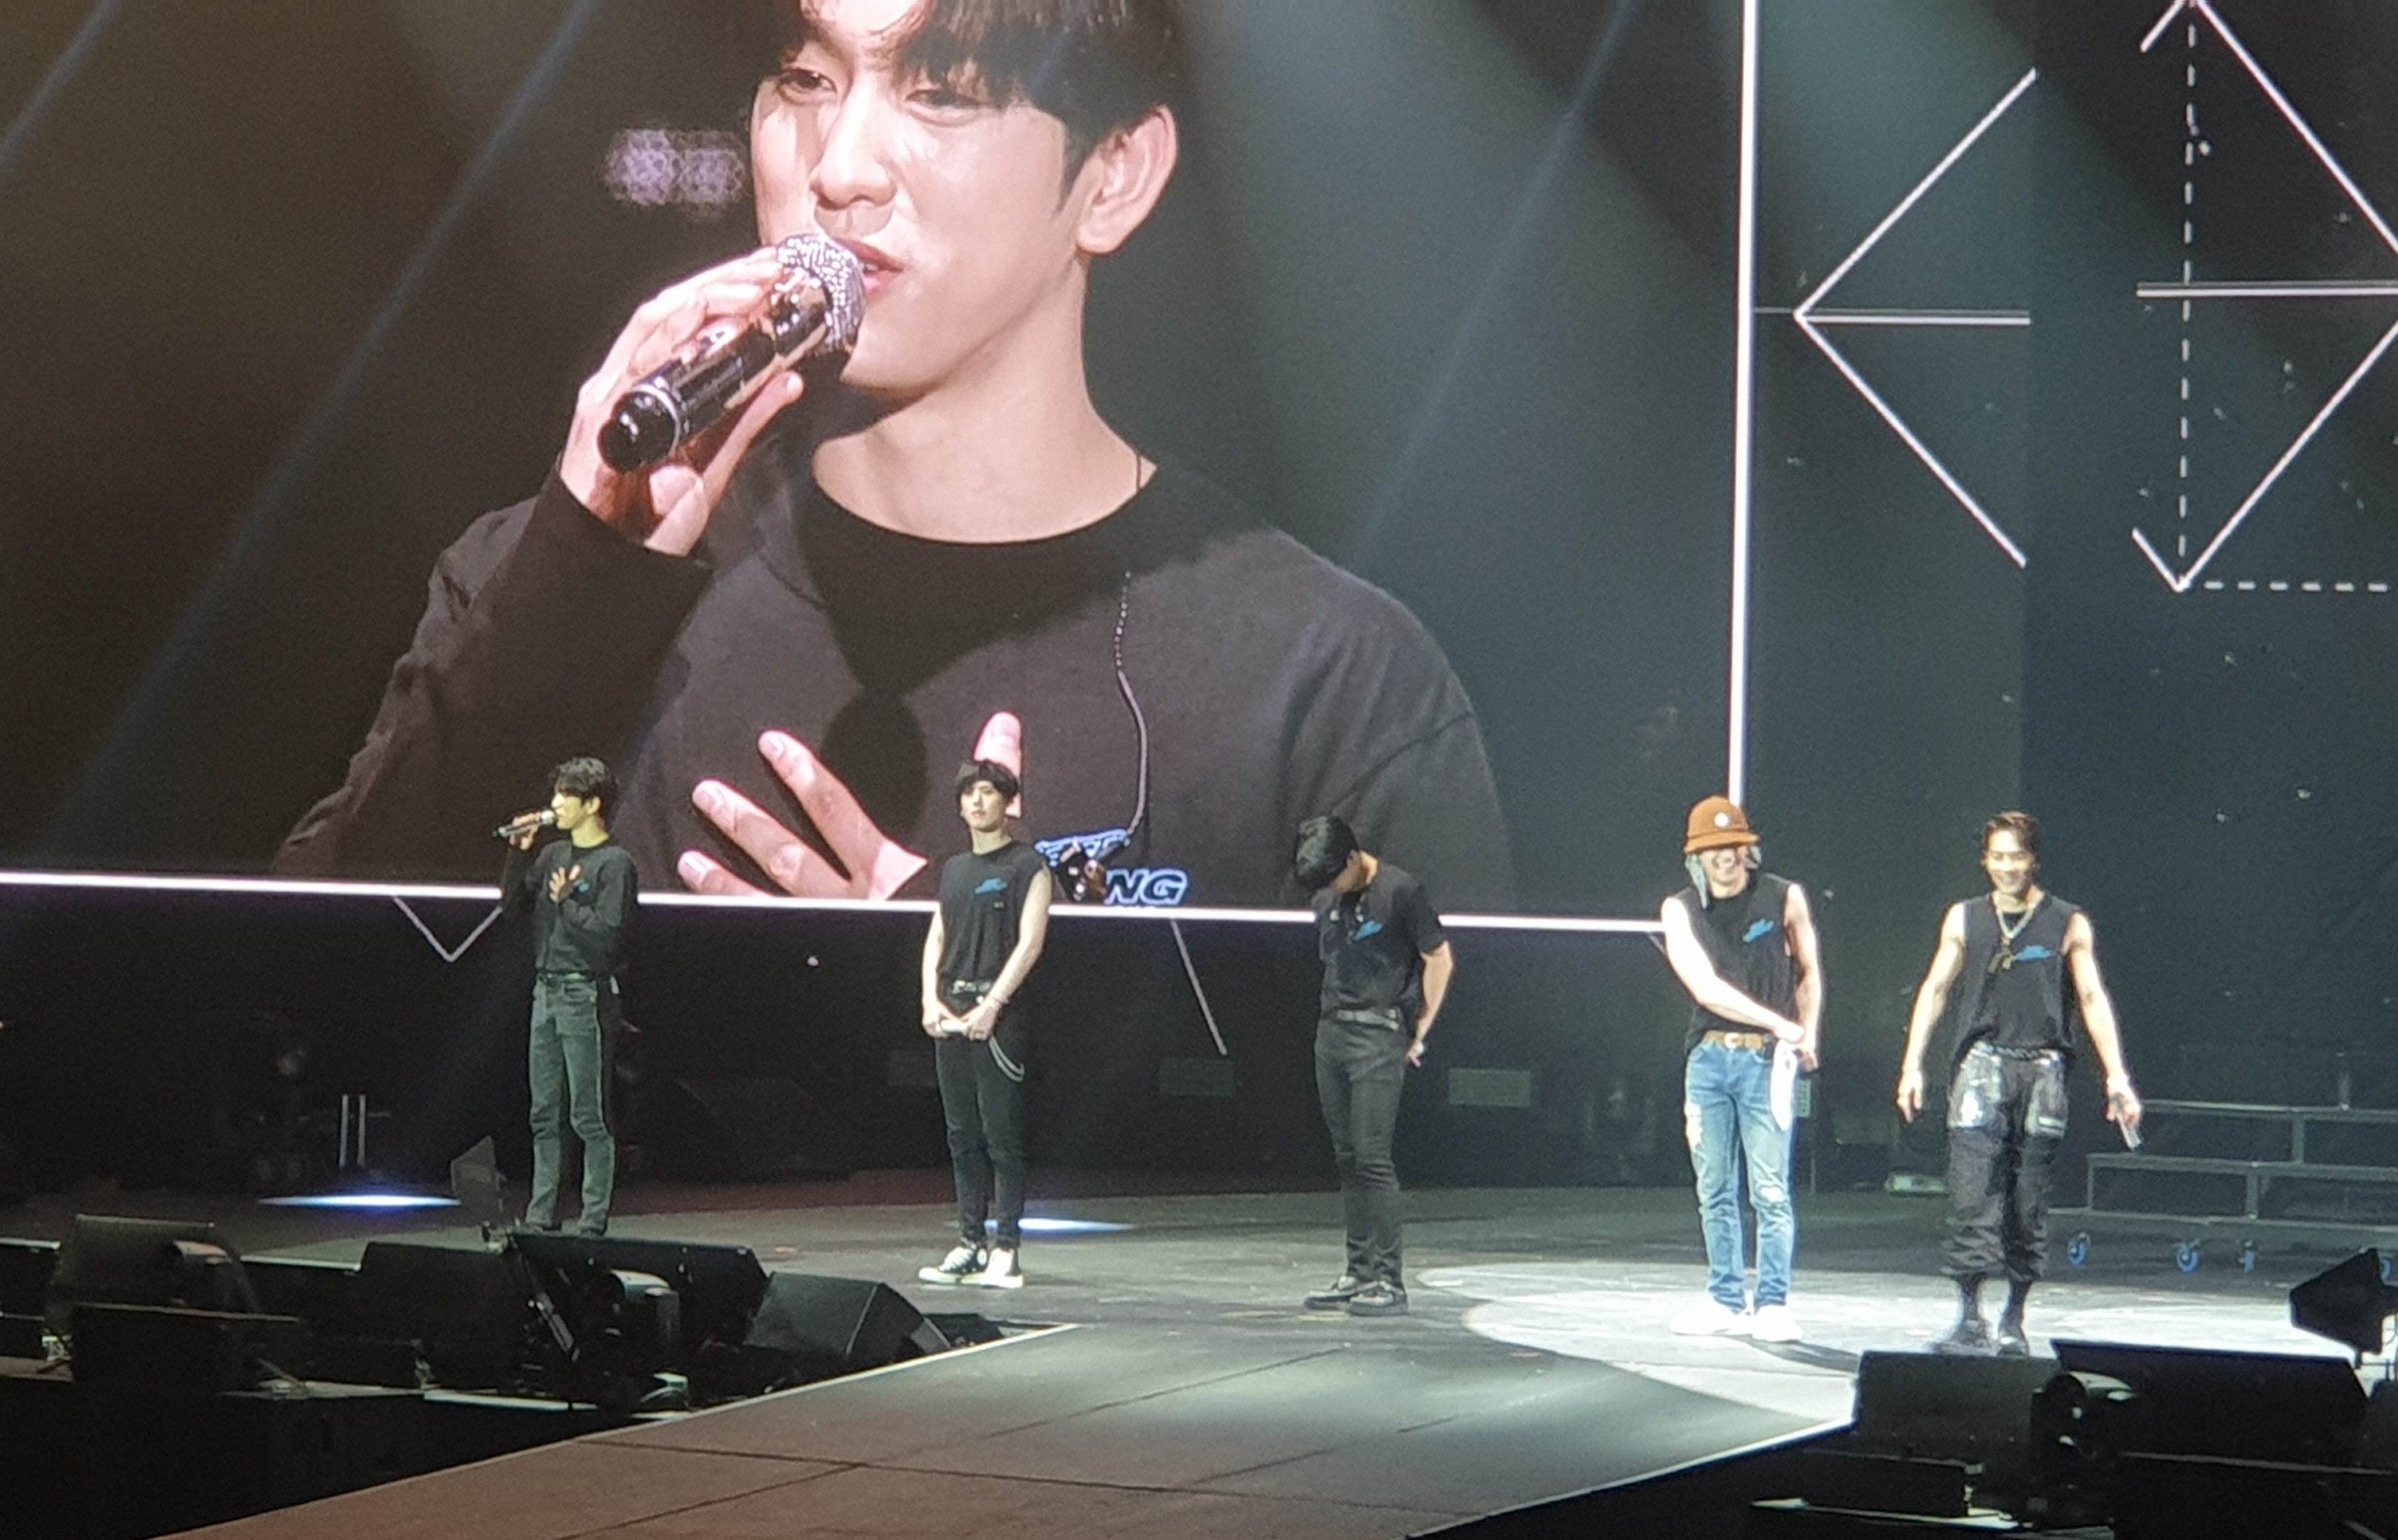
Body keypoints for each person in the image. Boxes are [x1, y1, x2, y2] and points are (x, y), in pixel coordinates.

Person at [275, 0, 1512, 912]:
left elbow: (1455, 1140)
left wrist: (991, 997)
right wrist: (572, 578)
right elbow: (280, 1025)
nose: (841, 169)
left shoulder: (1324, 685)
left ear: (1113, 177)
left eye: (942, 93)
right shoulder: (556, 580)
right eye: (804, 79)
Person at [1896, 812, 2141, 1355]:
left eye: (2017, 856)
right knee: (1972, 1195)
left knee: (2028, 1200)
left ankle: (2014, 1318)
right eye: (1998, 857)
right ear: (1985, 860)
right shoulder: (1964, 918)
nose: (2008, 867)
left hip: (2043, 1070)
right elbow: (1936, 988)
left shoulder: (2067, 922)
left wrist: (2116, 1076)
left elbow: (2092, 997)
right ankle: (1969, 1316)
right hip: (1982, 1066)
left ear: (2034, 859)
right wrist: (1914, 1064)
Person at [1660, 796, 1821, 1343]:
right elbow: (1705, 988)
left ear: (1748, 849)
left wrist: (1806, 1031)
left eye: (1733, 847)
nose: (1725, 858)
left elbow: (1808, 970)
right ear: (1696, 858)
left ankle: (1772, 1302)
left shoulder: (1783, 896)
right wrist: (1782, 1023)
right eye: (1713, 850)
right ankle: (1725, 1299)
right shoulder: (1680, 909)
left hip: (1766, 1061)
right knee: (1715, 1186)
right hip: (1708, 1058)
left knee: (1770, 1189)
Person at [1292, 815, 1453, 1318]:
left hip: (1379, 1034)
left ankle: (1388, 1278)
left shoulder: (1401, 890)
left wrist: (1419, 1029)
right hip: (1332, 1030)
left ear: (1352, 859)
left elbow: (1440, 958)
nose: (1329, 891)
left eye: (1333, 879)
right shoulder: (1327, 897)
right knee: (1347, 1158)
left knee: (1372, 1157)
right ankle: (1358, 1269)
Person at [917, 758, 1052, 1292]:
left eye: (989, 792)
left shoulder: (1027, 865)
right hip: (952, 1013)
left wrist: (994, 1003)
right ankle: (969, 1242)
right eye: (969, 793)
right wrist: (930, 1000)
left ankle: (1006, 1250)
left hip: (999, 1017)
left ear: (1007, 802)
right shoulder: (954, 870)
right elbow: (938, 935)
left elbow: (1031, 942)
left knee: (1002, 1137)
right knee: (961, 1136)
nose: (978, 801)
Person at [501, 755, 638, 1236]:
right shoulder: (553, 856)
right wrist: (519, 854)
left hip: (585, 993)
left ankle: (594, 1214)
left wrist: (569, 904)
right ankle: (542, 1214)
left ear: (592, 804)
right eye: (556, 793)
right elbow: (511, 907)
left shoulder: (615, 864)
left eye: (566, 795)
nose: (555, 803)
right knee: (544, 1113)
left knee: (589, 1113)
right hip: (546, 991)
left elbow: (608, 939)